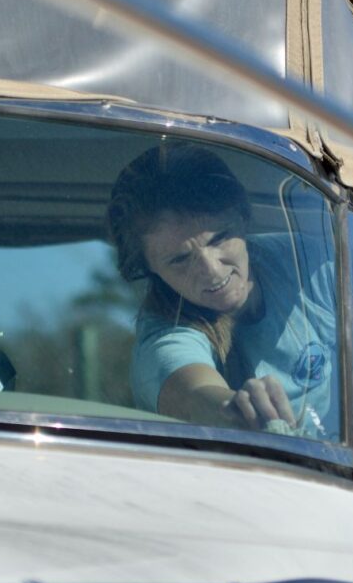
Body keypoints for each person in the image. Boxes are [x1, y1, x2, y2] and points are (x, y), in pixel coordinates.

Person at [107, 142, 337, 438]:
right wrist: (236, 410)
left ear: (243, 217)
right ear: (150, 269)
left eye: (220, 238)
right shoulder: (166, 338)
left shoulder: (313, 263)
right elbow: (195, 396)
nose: (212, 270)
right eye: (179, 259)